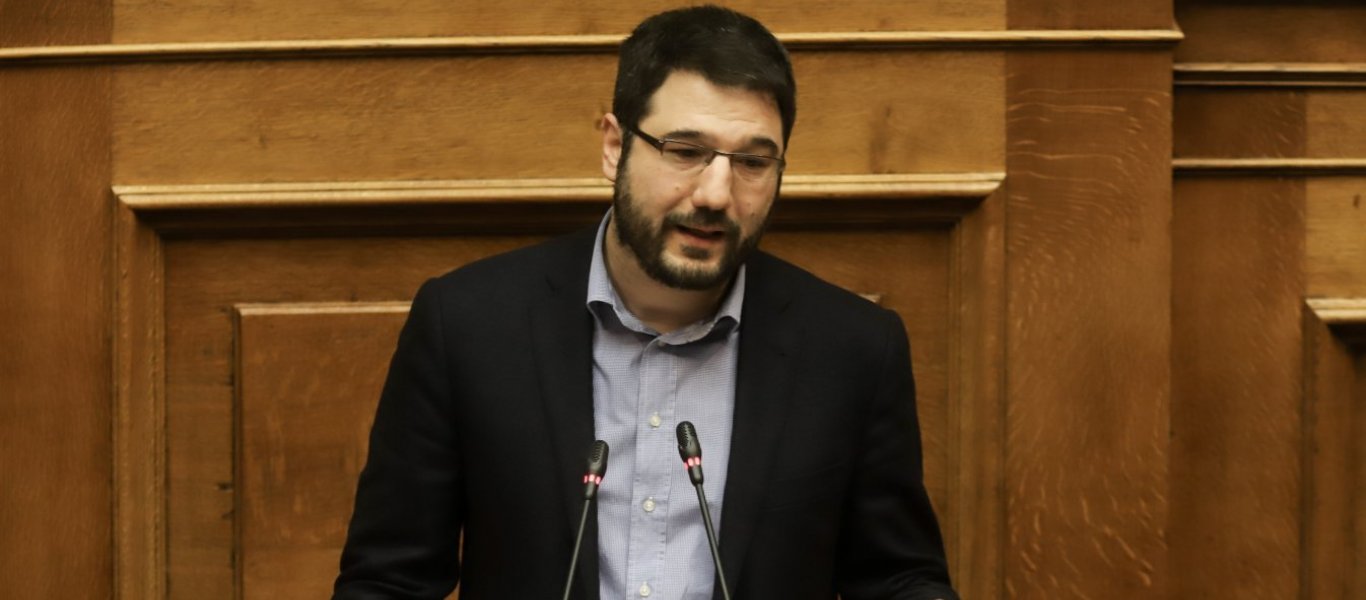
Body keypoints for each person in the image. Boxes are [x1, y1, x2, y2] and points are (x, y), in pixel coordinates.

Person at [334, 6, 957, 600]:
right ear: (614, 146)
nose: (716, 194)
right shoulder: (467, 325)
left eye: (752, 162)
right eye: (685, 151)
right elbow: (389, 581)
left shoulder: (853, 349)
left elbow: (896, 577)